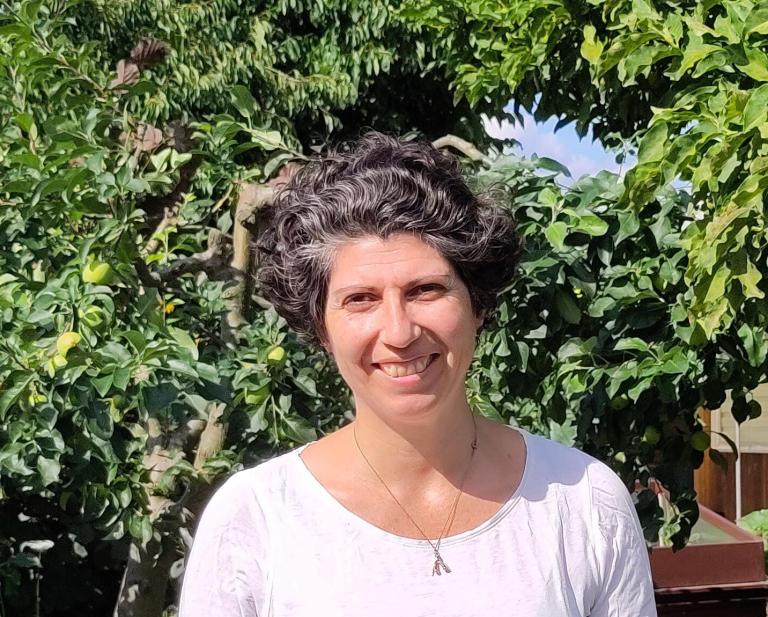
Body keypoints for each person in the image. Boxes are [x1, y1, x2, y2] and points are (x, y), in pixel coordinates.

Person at [178, 133, 657, 616]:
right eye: (360, 299)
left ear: (478, 306)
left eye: (426, 290)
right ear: (321, 327)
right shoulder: (257, 520)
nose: (399, 331)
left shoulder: (584, 502)